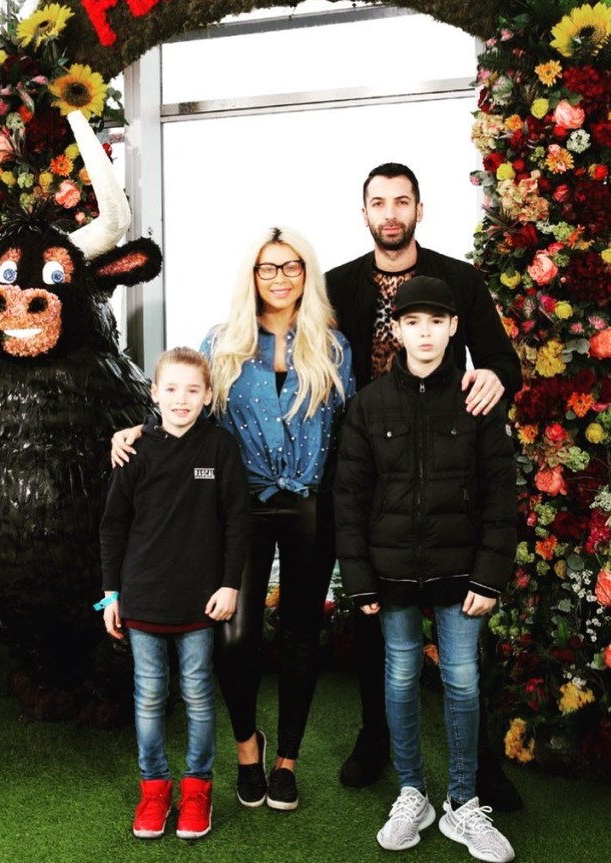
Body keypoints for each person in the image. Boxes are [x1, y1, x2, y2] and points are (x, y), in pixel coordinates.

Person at [111, 226, 355, 812]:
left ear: (305, 273)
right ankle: (248, 746)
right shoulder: (223, 343)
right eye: (267, 268)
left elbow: (351, 432)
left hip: (309, 507)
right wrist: (136, 433)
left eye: (290, 266)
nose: (278, 278)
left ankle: (286, 762)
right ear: (252, 276)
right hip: (241, 505)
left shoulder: (332, 345)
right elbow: (186, 408)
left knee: (300, 634)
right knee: (234, 637)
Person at [325, 162, 523, 808]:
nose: (389, 212)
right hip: (368, 459)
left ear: (418, 208)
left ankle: (479, 771)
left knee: (463, 660)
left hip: (446, 462)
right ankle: (376, 740)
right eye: (377, 202)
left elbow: (500, 361)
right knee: (378, 626)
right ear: (363, 213)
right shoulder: (336, 286)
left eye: (400, 201)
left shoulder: (459, 280)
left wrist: (494, 379)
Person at [99, 347, 250, 841]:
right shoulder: (134, 450)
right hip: (143, 598)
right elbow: (113, 527)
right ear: (154, 393)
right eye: (171, 389)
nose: (181, 399)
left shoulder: (220, 449)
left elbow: (237, 524)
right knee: (148, 697)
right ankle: (155, 789)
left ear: (208, 396)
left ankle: (197, 788)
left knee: (199, 697)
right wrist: (110, 595)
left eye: (192, 390)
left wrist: (230, 585)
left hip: (201, 603)